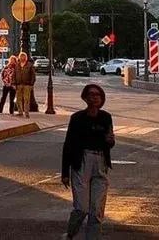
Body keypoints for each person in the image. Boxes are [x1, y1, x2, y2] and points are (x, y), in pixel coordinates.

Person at [61, 83, 115, 239]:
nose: (95, 97)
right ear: (85, 97)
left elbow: (109, 143)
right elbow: (68, 145)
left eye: (98, 95)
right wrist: (65, 172)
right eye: (91, 94)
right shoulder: (77, 118)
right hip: (81, 162)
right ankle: (70, 233)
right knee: (81, 208)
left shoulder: (106, 117)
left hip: (100, 162)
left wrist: (110, 141)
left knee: (96, 210)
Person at [13, 51, 36, 118]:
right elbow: (14, 75)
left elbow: (33, 75)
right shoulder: (17, 65)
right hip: (18, 84)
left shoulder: (29, 65)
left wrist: (31, 84)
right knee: (18, 99)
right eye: (21, 56)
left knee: (26, 99)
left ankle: (26, 113)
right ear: (19, 57)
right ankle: (20, 112)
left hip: (27, 85)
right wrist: (14, 83)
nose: (22, 58)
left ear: (25, 58)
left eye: (24, 57)